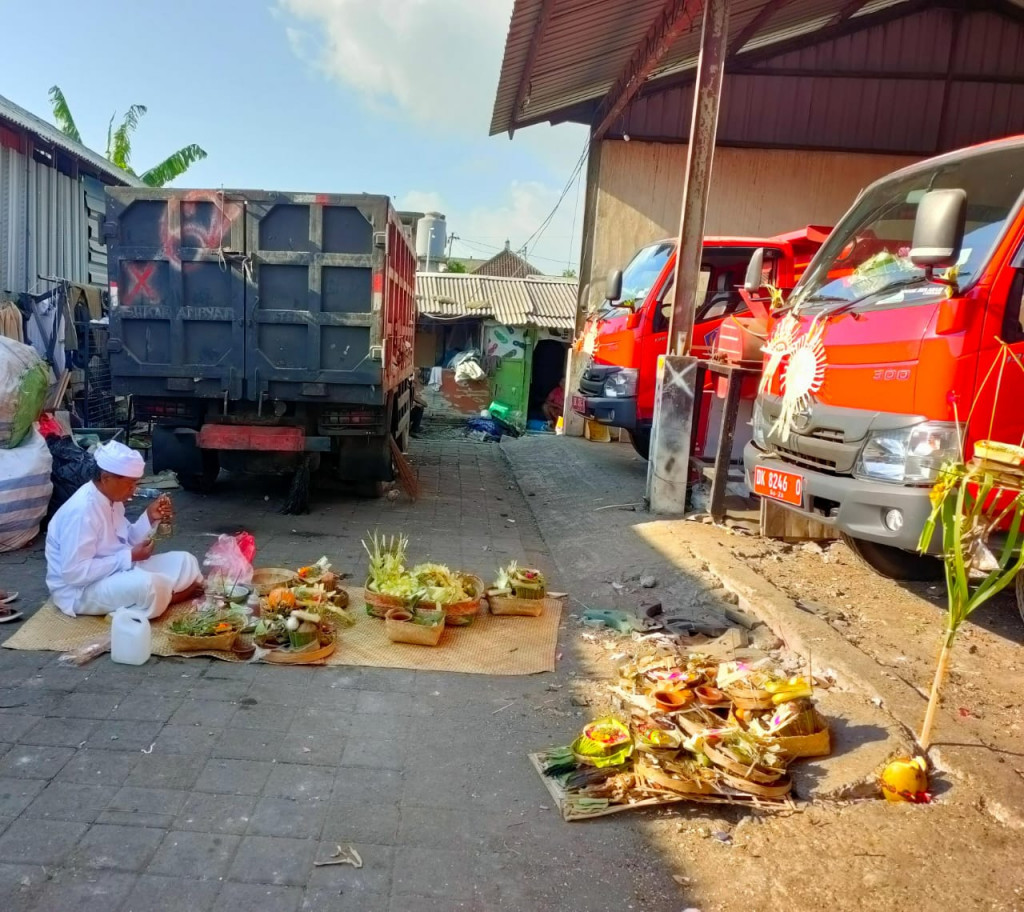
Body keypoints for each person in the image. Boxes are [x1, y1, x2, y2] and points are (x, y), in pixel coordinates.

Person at [45, 441, 203, 619]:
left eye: (135, 483)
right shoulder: (81, 512)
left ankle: (161, 598)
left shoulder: (112, 500)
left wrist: (149, 516)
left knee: (185, 561)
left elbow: (126, 540)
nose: (133, 490)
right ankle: (166, 598)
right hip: (80, 591)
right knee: (149, 585)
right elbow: (75, 573)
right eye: (130, 484)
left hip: (115, 571)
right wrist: (129, 557)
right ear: (106, 478)